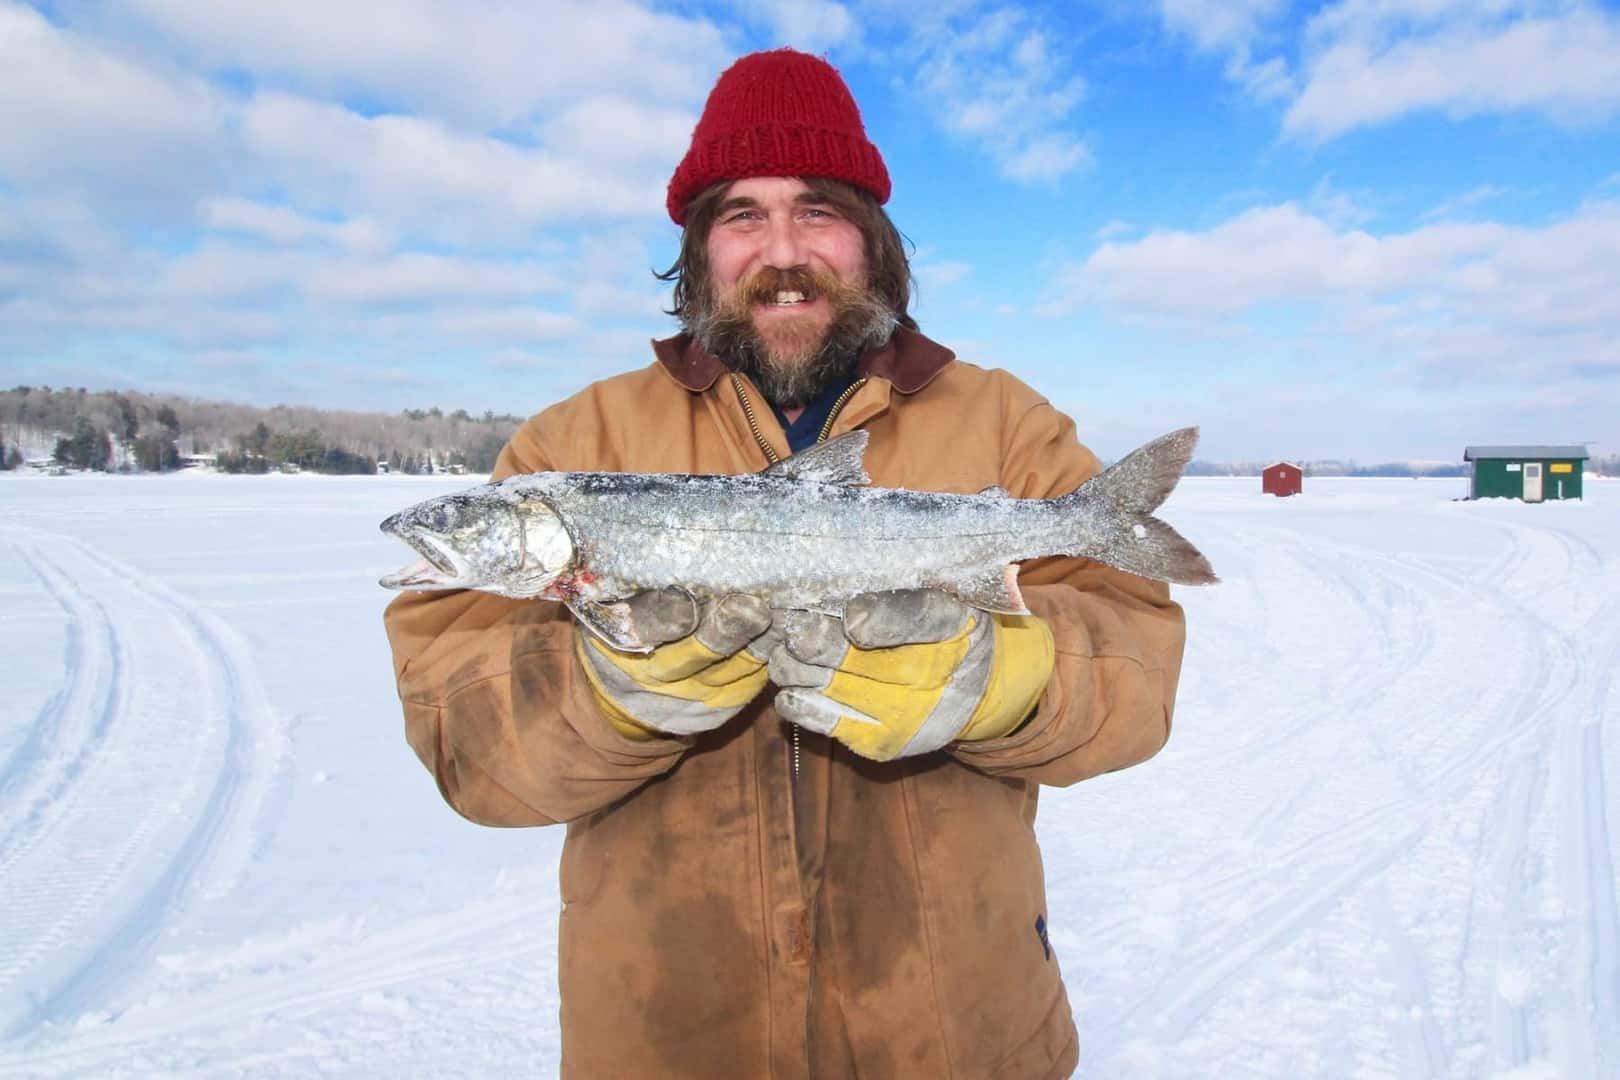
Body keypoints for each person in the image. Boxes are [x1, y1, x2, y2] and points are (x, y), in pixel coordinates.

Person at [383, 47, 1186, 1080]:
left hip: (955, 1035)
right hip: (665, 1033)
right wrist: (605, 694)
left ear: (872, 241)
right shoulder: (570, 443)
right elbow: (467, 745)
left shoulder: (1002, 422)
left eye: (817, 210)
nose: (782, 249)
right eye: (742, 217)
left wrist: (1008, 679)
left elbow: (1138, 670)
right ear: (700, 251)